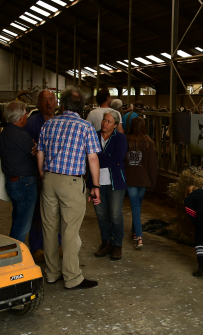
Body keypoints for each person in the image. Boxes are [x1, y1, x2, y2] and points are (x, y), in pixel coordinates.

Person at [37, 86, 101, 290]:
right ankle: (72, 277)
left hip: (49, 179)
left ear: (62, 105)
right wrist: (96, 185)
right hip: (72, 182)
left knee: (49, 228)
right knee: (70, 230)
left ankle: (52, 273)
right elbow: (92, 157)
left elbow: (40, 153)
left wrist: (43, 175)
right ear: (81, 107)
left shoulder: (49, 125)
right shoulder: (85, 127)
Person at [87, 109, 127, 260]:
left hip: (115, 182)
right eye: (104, 120)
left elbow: (117, 158)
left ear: (115, 125)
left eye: (109, 121)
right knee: (101, 214)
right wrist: (100, 158)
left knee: (115, 215)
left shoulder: (120, 138)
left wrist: (96, 158)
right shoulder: (94, 135)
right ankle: (106, 242)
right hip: (96, 182)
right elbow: (88, 156)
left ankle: (117, 244)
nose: (105, 123)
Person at [25, 89, 58, 263]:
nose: (48, 103)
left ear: (56, 102)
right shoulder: (31, 123)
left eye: (51, 99)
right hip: (37, 176)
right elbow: (25, 146)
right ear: (38, 104)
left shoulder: (61, 122)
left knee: (57, 212)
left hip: (57, 174)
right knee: (38, 213)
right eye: (44, 100)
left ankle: (57, 245)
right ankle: (37, 247)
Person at [0, 101, 38, 244]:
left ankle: (12, 251)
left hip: (13, 182)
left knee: (18, 218)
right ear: (20, 118)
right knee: (22, 225)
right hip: (24, 183)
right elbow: (34, 155)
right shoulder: (21, 135)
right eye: (26, 113)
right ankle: (13, 256)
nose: (27, 115)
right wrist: (36, 148)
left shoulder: (5, 132)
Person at [124, 116, 158, 250]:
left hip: (131, 179)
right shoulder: (148, 143)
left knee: (135, 207)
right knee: (137, 206)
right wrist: (152, 183)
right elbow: (152, 165)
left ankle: (139, 236)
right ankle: (134, 231)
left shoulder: (126, 141)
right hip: (144, 180)